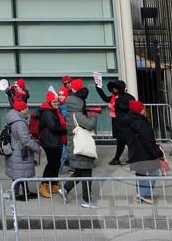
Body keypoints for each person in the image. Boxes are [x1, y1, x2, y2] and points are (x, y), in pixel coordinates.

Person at [59, 78, 99, 208]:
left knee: (80, 171)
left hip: (74, 145)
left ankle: (65, 189)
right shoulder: (77, 114)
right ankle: (86, 200)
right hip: (81, 146)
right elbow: (91, 125)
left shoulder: (71, 113)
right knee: (86, 172)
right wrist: (93, 114)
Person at [124, 99, 166, 204]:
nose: (144, 110)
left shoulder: (130, 120)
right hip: (143, 152)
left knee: (140, 173)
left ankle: (140, 194)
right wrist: (157, 154)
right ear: (138, 110)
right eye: (142, 108)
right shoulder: (140, 122)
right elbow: (147, 140)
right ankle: (145, 195)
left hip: (136, 151)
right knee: (154, 172)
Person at [4, 99, 40, 200]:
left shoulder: (14, 119)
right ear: (21, 110)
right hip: (20, 152)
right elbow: (25, 140)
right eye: (25, 108)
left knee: (22, 173)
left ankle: (26, 192)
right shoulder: (20, 123)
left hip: (16, 151)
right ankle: (15, 194)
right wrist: (37, 148)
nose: (27, 109)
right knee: (18, 173)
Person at [94, 79, 134, 165]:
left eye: (115, 88)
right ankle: (128, 158)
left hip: (125, 123)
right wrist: (98, 88)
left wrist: (120, 106)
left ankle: (120, 158)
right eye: (113, 88)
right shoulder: (113, 97)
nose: (113, 89)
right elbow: (105, 98)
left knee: (126, 141)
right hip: (117, 123)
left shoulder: (128, 97)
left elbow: (132, 107)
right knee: (123, 141)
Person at [38, 90, 67, 198]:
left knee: (56, 163)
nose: (57, 103)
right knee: (52, 164)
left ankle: (54, 184)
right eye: (54, 101)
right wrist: (67, 130)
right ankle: (43, 185)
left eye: (57, 101)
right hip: (49, 142)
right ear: (49, 102)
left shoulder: (54, 111)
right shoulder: (48, 113)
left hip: (55, 141)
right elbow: (53, 127)